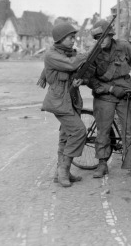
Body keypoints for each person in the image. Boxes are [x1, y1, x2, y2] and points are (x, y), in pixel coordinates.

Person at [87, 20, 131, 180]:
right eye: (97, 38)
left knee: (130, 130)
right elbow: (90, 79)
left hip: (125, 94)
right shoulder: (92, 54)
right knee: (103, 131)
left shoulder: (124, 47)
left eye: (103, 37)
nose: (100, 41)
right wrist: (109, 89)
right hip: (104, 96)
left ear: (110, 36)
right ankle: (102, 164)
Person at [40, 23, 87, 188]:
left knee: (66, 136)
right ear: (60, 39)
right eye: (70, 37)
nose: (74, 41)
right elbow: (72, 65)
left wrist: (80, 80)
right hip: (60, 102)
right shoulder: (52, 55)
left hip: (71, 99)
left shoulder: (68, 54)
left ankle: (60, 173)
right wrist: (87, 54)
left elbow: (74, 71)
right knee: (79, 131)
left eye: (74, 37)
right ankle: (63, 170)